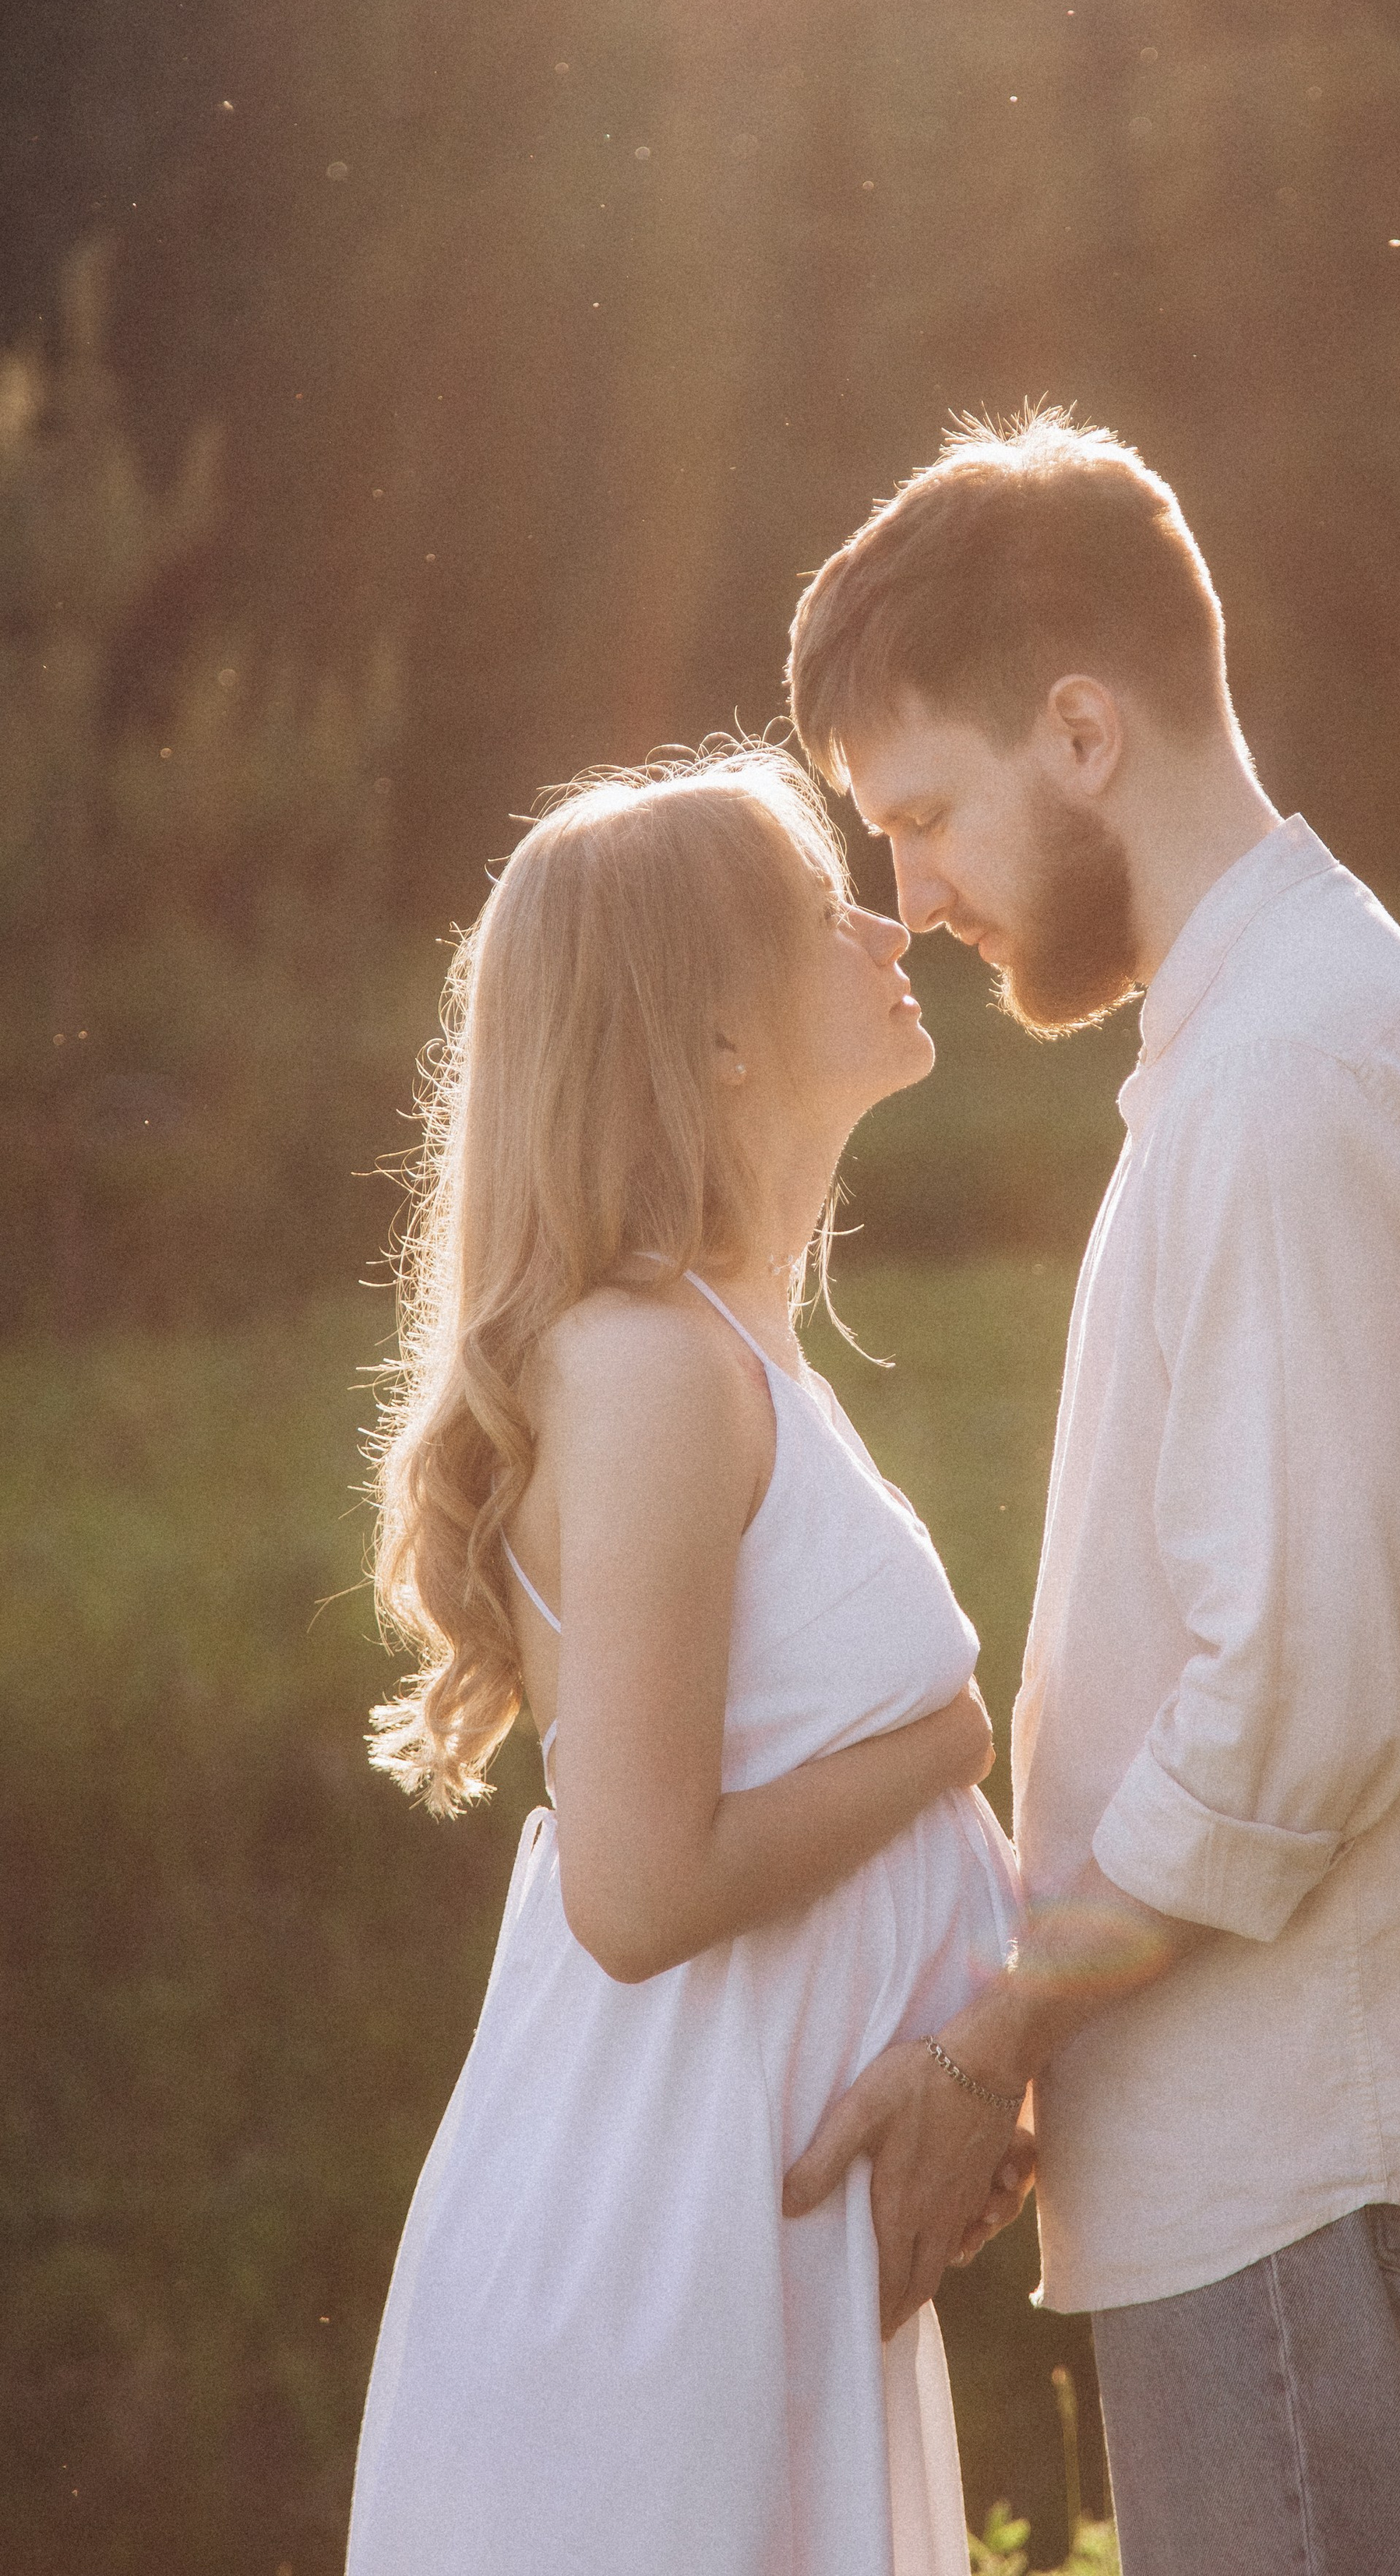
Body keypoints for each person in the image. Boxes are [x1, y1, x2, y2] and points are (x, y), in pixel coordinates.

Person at [781, 411, 1400, 2576]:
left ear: (1081, 731)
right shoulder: (1274, 1035)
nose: (913, 903)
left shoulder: (1285, 1084)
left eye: (925, 816)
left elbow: (1295, 1704)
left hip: (1295, 2169)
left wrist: (1003, 2027)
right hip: (1266, 2164)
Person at [345, 748, 1025, 2576]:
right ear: (714, 1040)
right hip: (650, 2252)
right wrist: (943, 1749)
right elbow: (636, 1891)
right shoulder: (650, 1369)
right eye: (821, 911)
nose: (885, 920)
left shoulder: (731, 1347)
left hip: (749, 2231)